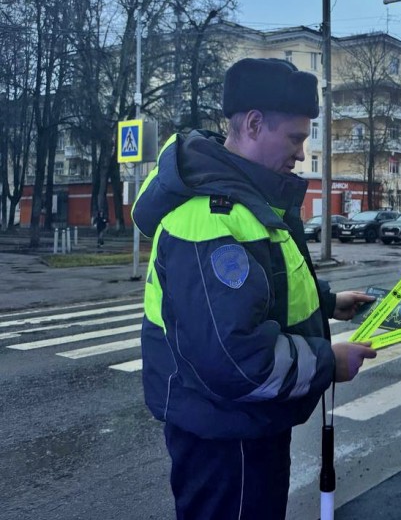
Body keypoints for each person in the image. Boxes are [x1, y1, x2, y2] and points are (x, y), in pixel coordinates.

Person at [132, 57, 376, 519]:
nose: (302, 153)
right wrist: (328, 362)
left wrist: (329, 303)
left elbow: (266, 283)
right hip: (226, 441)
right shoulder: (212, 215)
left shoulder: (245, 199)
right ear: (254, 123)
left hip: (244, 427)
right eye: (296, 138)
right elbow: (236, 360)